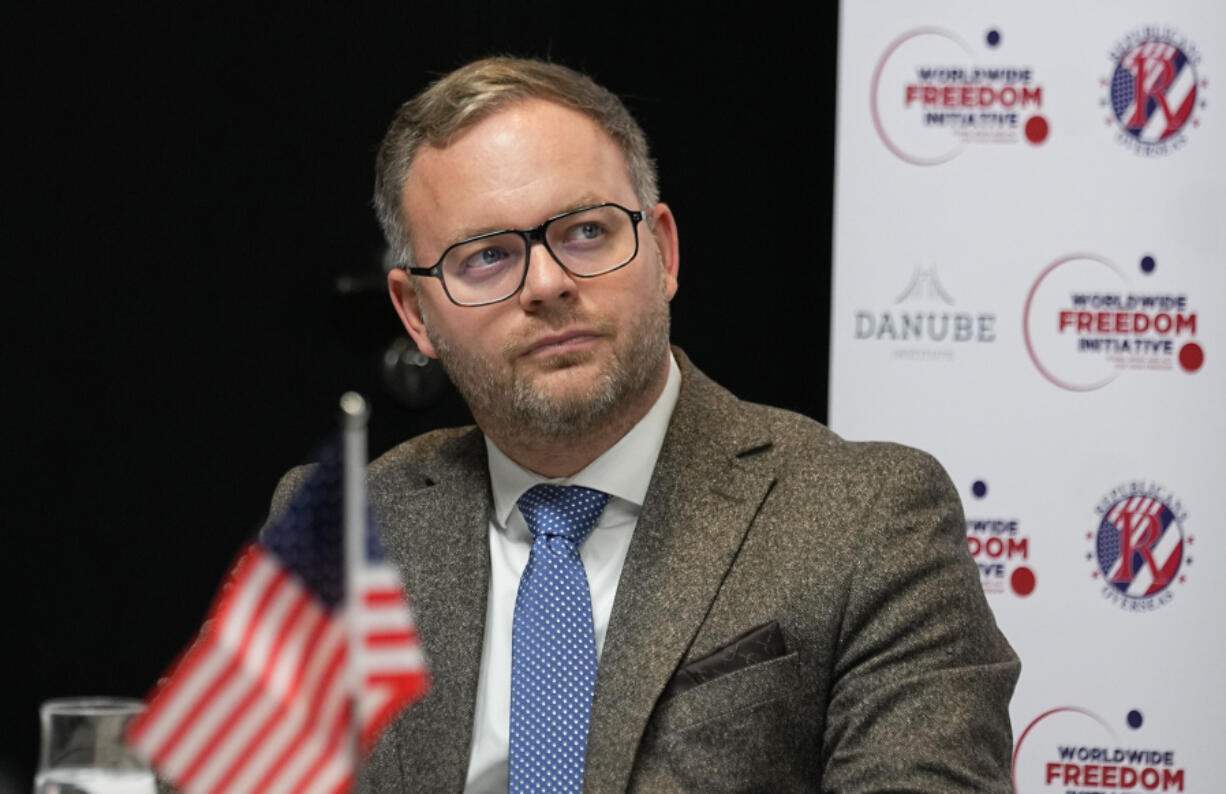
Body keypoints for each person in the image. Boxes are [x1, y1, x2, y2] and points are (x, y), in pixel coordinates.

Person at [278, 56, 1019, 792]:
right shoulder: (347, 529)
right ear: (416, 315)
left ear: (662, 251)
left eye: (586, 233)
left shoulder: (869, 519)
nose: (547, 284)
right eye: (487, 257)